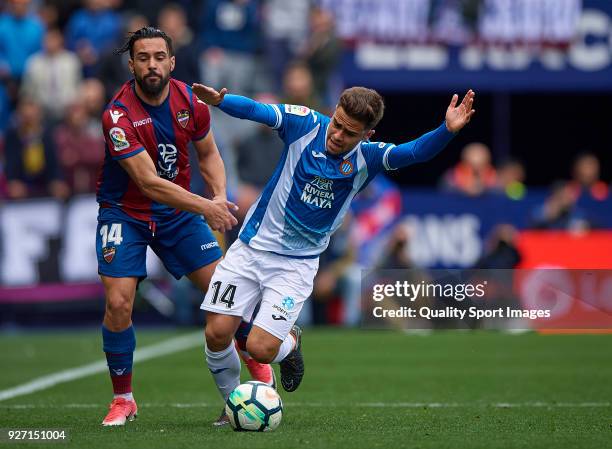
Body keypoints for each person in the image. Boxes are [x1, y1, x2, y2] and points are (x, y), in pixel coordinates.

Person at [191, 82, 476, 422]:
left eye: (349, 132)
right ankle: (230, 406)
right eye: (337, 123)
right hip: (250, 249)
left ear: (367, 135)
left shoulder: (369, 157)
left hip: (296, 266)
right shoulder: (306, 124)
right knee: (217, 332)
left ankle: (290, 345)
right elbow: (259, 111)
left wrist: (446, 130)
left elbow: (414, 152)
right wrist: (223, 101)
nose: (338, 134)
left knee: (260, 348)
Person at [96, 26, 273, 428]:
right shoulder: (118, 115)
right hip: (126, 212)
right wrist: (205, 208)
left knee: (226, 296)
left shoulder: (190, 101)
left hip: (178, 213)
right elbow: (148, 183)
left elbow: (209, 154)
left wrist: (219, 196)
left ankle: (251, 368)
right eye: (144, 58)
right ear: (132, 65)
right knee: (119, 302)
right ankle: (124, 399)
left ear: (172, 62)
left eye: (159, 57)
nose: (152, 64)